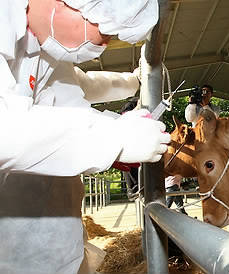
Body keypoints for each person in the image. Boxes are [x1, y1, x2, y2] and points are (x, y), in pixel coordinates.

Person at [0, 0, 166, 273]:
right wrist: (115, 140)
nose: (102, 45)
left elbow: (74, 106)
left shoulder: (45, 49)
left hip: (54, 241)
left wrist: (125, 128)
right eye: (105, 31)